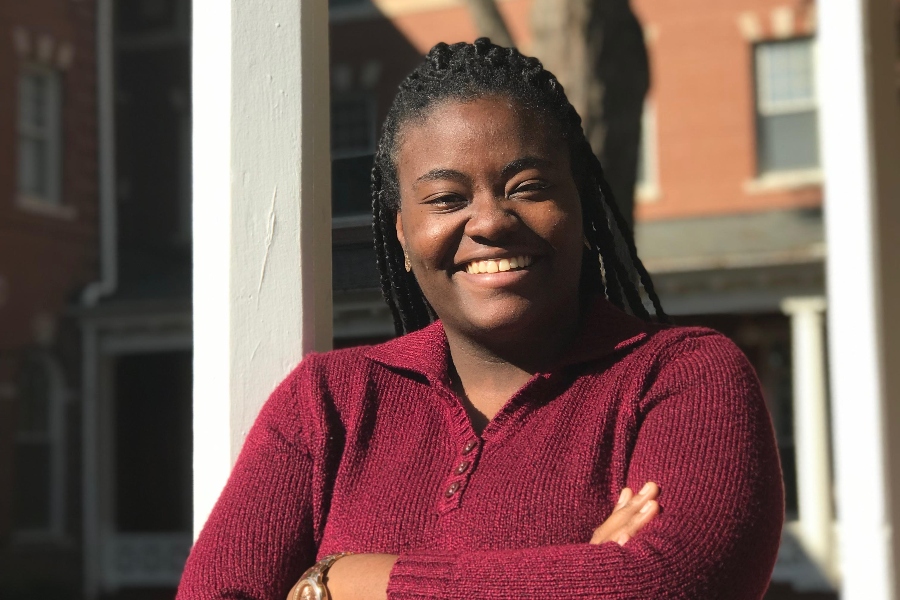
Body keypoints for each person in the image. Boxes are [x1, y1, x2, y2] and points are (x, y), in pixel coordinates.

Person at [177, 39, 784, 600]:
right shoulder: (329, 401)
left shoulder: (680, 377)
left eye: (527, 186)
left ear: (581, 204)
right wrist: (578, 572)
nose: (490, 221)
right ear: (402, 231)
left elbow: (669, 584)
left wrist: (340, 580)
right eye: (446, 199)